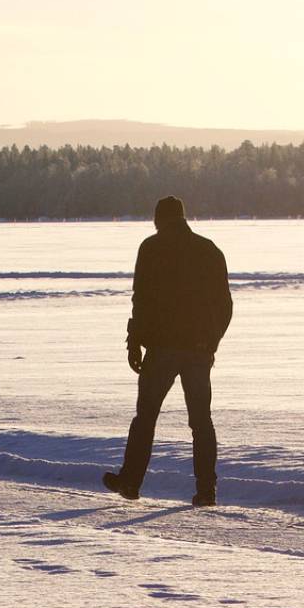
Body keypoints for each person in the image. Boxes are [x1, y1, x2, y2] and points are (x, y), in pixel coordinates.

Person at [104, 196, 233, 506]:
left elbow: (141, 300)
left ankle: (131, 482)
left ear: (160, 220)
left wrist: (134, 341)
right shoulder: (208, 250)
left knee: (146, 417)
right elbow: (225, 305)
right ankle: (206, 491)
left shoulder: (151, 248)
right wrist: (211, 342)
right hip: (198, 350)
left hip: (162, 348)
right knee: (201, 421)